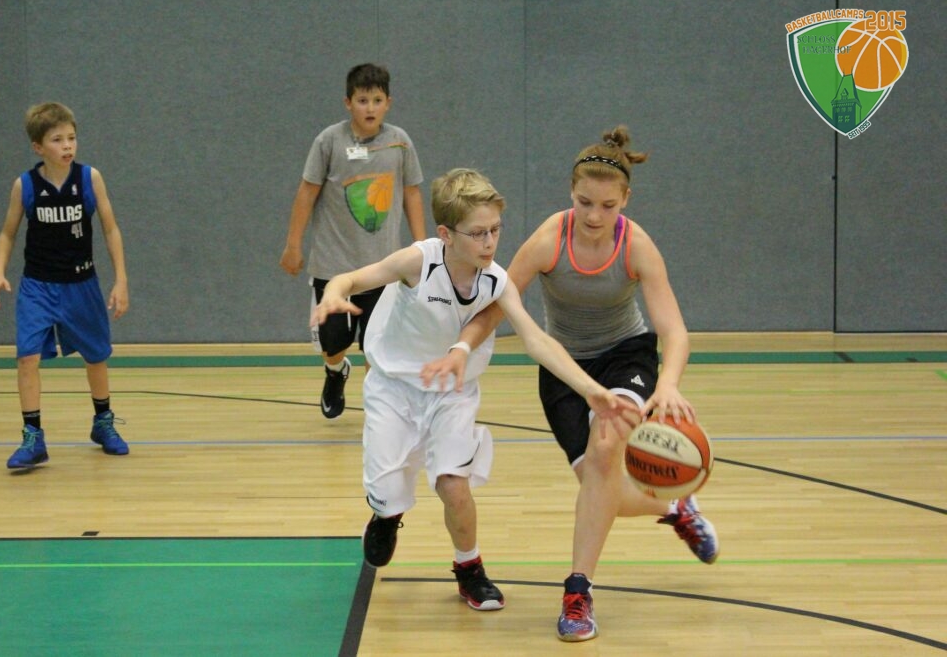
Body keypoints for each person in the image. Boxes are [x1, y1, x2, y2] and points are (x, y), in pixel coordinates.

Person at [421, 127, 719, 641]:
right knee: (600, 487)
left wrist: (668, 383)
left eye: (607, 205)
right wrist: (461, 347)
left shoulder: (636, 245)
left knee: (605, 450)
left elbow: (673, 330)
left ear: (626, 200)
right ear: (570, 193)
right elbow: (497, 304)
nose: (595, 216)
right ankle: (674, 507)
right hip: (563, 368)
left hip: (625, 357)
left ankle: (578, 593)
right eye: (584, 202)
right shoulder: (548, 240)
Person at [312, 168, 640, 612]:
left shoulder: (495, 281)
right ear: (446, 234)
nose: (490, 243)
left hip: (452, 391)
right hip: (393, 388)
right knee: (387, 493)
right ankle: (387, 515)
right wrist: (333, 294)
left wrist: (591, 390)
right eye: (478, 233)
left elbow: (536, 339)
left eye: (495, 230)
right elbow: (351, 279)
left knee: (454, 486)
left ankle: (469, 568)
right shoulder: (418, 262)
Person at [0, 102, 130, 470]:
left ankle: (103, 421)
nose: (67, 145)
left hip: (81, 283)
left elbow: (111, 229)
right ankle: (33, 436)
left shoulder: (90, 179)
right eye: (57, 139)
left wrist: (121, 280)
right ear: (38, 147)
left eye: (71, 138)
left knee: (96, 356)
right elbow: (7, 233)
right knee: (27, 356)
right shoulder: (25, 185)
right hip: (37, 285)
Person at [281, 63, 427, 420]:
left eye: (377, 100)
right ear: (348, 103)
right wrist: (293, 244)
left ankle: (379, 411)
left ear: (388, 103)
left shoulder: (400, 142)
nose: (370, 108)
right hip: (333, 265)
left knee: (377, 346)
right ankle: (335, 371)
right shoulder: (329, 141)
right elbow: (306, 192)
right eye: (363, 100)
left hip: (383, 267)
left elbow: (411, 193)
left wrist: (423, 247)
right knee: (333, 343)